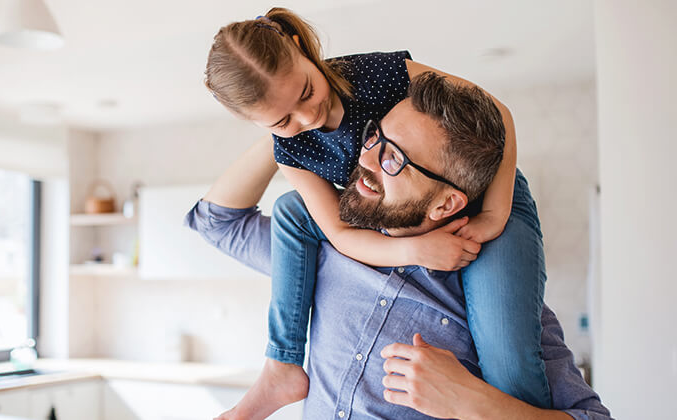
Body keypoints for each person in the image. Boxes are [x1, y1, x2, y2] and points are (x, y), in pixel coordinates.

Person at [185, 72, 612, 419]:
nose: (365, 161)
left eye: (395, 160)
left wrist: (473, 403)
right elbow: (216, 222)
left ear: (448, 202)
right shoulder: (323, 251)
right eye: (374, 138)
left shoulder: (502, 305)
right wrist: (292, 119)